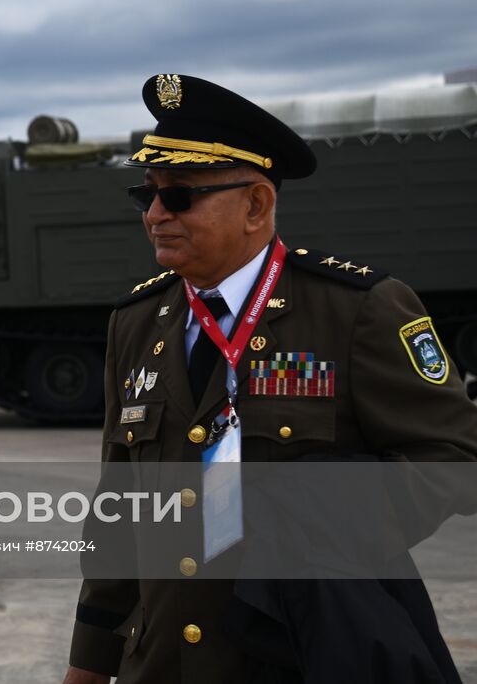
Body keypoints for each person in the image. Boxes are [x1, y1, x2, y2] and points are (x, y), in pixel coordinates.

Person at [63, 75, 477, 684]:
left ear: (256, 204)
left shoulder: (356, 309)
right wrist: (90, 663)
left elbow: (453, 456)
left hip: (306, 653)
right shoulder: (136, 323)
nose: (154, 215)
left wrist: (319, 518)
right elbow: (119, 508)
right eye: (144, 195)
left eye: (178, 197)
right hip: (165, 663)